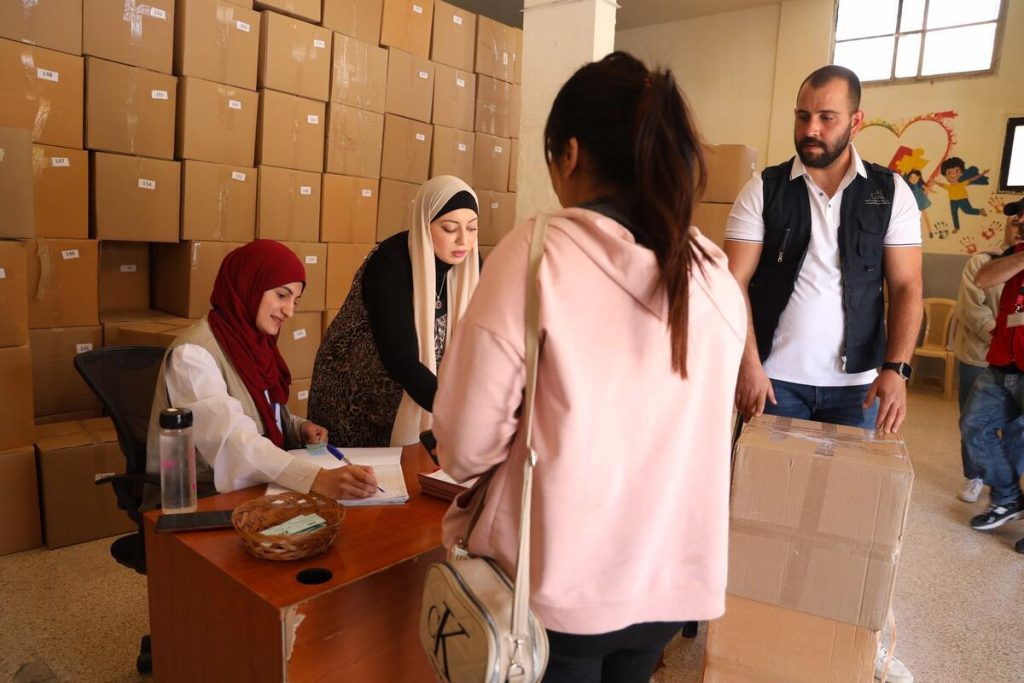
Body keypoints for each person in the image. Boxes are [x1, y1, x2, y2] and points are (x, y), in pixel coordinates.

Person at [432, 52, 746, 682]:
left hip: (558, 594)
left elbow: (464, 448)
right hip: (670, 586)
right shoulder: (712, 272)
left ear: (569, 155)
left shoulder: (538, 254)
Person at [723, 65, 922, 683]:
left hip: (855, 392)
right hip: (774, 388)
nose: (811, 128)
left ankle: (838, 646)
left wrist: (897, 368)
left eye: (826, 117)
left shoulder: (890, 193)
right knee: (762, 517)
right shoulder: (765, 189)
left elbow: (908, 286)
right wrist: (748, 366)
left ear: (855, 121)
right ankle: (751, 635)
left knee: (848, 526)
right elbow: (733, 285)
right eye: (803, 115)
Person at [146, 240, 379, 501]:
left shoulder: (253, 344)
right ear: (248, 285)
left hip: (255, 488)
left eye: (295, 301)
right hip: (203, 500)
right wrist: (314, 478)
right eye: (282, 295)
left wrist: (298, 428)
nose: (289, 311)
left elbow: (265, 414)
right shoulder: (193, 356)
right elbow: (232, 442)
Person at [308, 176, 480, 447]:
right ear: (425, 224)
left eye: (472, 229)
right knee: (369, 482)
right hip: (355, 396)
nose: (463, 241)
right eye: (449, 228)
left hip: (419, 395)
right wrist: (460, 412)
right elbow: (402, 360)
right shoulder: (390, 264)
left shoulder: (471, 269)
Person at [959, 199, 1024, 555]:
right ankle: (1009, 497)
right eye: (1017, 216)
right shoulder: (1006, 258)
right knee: (974, 425)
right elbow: (984, 279)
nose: (1019, 220)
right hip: (1003, 363)